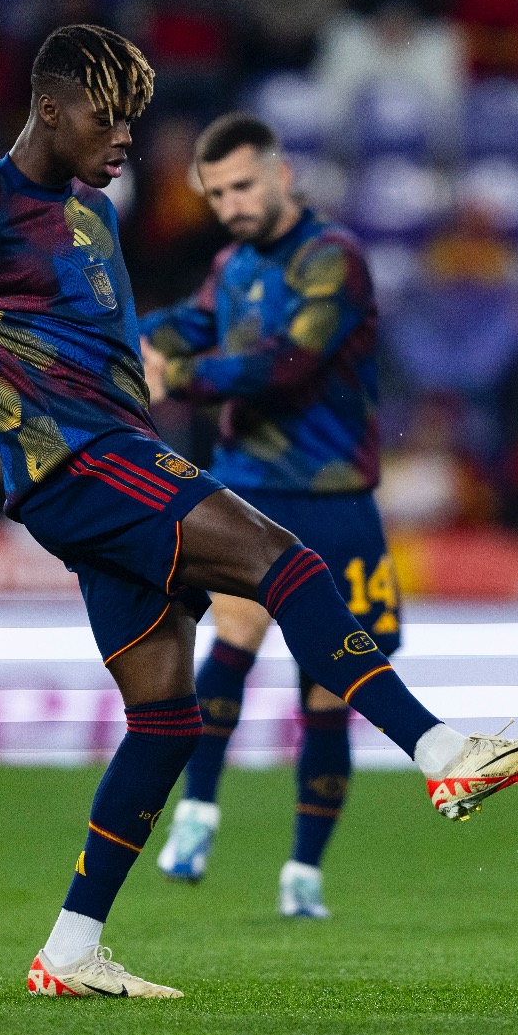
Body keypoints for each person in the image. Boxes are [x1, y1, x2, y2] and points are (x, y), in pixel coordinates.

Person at [0, 24, 518, 1000]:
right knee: (289, 564)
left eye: (134, 116)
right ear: (49, 108)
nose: (128, 135)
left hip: (119, 462)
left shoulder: (91, 219)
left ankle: (72, 947)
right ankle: (441, 751)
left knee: (166, 718)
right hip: (81, 468)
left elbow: (111, 355)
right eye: (107, 115)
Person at [137, 113, 393, 919]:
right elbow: (178, 325)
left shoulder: (334, 262)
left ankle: (303, 874)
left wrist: (173, 374)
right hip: (249, 489)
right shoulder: (231, 267)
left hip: (336, 498)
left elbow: (289, 361)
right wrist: (118, 344)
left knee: (329, 694)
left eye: (244, 185)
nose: (233, 205)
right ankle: (197, 818)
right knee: (234, 638)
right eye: (217, 194)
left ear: (283, 175)